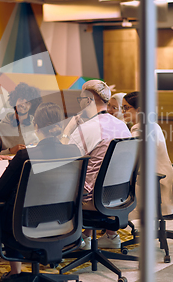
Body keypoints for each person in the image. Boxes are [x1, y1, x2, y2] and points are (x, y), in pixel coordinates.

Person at [0, 102, 81, 279]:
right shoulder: (74, 152)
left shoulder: (24, 156)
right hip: (64, 221)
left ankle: (15, 273)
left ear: (36, 126)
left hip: (25, 225)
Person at [68, 80, 131, 250]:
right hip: (119, 195)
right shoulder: (123, 127)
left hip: (91, 198)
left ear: (88, 100)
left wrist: (69, 129)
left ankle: (58, 241)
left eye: (80, 99)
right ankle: (84, 238)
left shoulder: (86, 129)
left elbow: (64, 161)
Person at [122, 91, 173, 216]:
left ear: (138, 110)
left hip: (156, 187)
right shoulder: (153, 125)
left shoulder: (139, 130)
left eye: (126, 108)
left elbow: (127, 159)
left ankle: (109, 231)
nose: (123, 111)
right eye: (122, 108)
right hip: (167, 184)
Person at [0, 82, 41, 157]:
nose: (23, 104)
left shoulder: (37, 127)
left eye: (27, 103)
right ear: (14, 100)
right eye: (21, 100)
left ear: (32, 106)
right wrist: (10, 151)